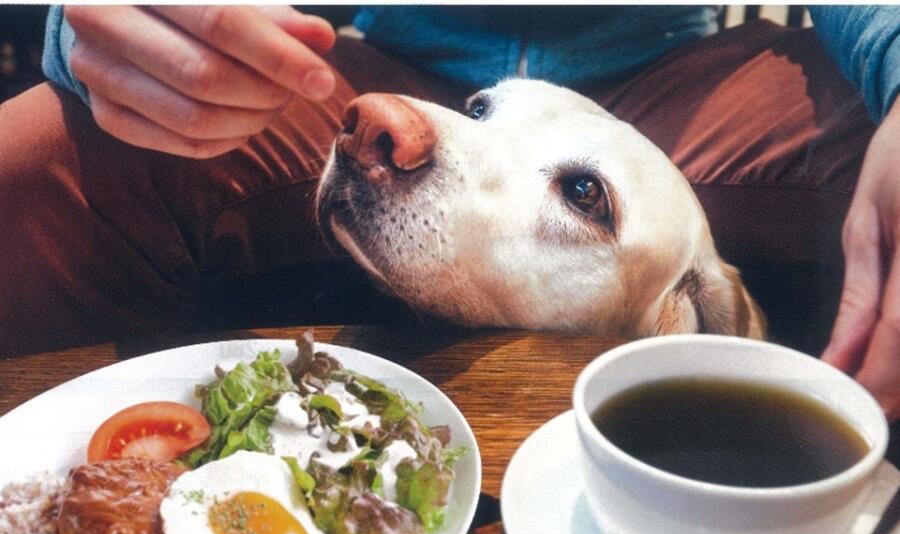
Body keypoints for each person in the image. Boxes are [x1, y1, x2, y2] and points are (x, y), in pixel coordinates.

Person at [0, 5, 897, 421]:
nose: (384, 141)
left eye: (583, 196)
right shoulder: (405, 121)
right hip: (393, 48)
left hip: (684, 74)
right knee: (33, 154)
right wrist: (113, 30)